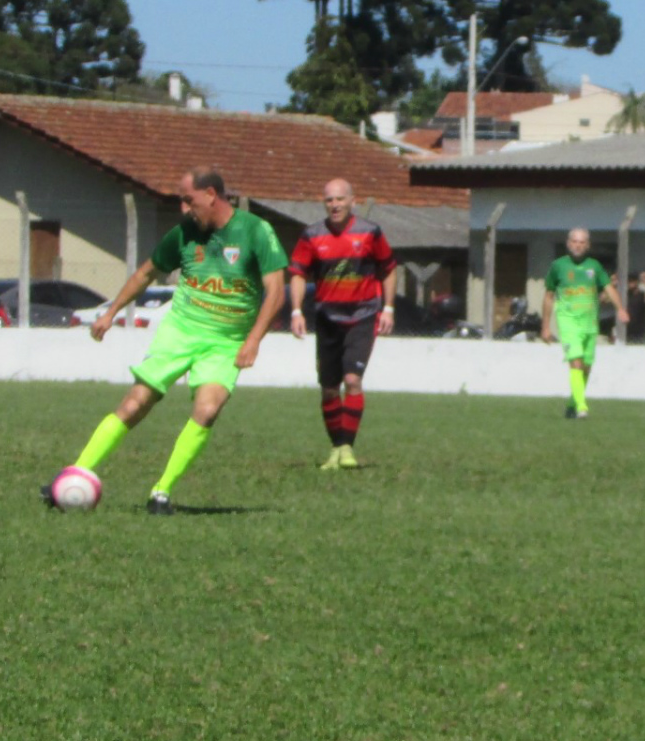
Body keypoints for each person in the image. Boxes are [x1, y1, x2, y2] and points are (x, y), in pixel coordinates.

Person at [41, 167, 287, 514]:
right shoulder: (183, 234)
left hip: (226, 341)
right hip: (181, 331)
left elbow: (276, 290)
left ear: (211, 195)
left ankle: (161, 492)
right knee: (135, 403)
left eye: (189, 201)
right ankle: (76, 472)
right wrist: (110, 313)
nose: (185, 210)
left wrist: (254, 340)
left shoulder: (255, 231)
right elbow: (145, 273)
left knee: (207, 409)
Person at [288, 178, 397, 470]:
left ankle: (346, 447)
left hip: (362, 316)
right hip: (327, 319)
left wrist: (388, 308)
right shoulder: (312, 235)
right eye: (329, 200)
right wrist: (296, 311)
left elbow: (388, 269)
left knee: (352, 380)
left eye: (339, 199)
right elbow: (297, 273)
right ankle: (337, 447)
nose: (334, 205)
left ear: (352, 201)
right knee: (328, 388)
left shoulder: (369, 232)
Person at [542, 228, 629, 418]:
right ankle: (582, 406)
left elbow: (609, 288)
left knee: (587, 366)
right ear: (568, 243)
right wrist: (546, 326)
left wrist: (620, 308)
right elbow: (548, 296)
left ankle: (572, 404)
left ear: (588, 245)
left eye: (582, 242)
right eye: (574, 241)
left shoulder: (594, 266)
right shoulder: (558, 266)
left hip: (590, 323)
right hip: (568, 321)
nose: (577, 245)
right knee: (576, 363)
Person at [624, 270, 645, 345]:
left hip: (640, 333)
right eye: (628, 281)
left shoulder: (642, 295)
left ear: (637, 281)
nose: (630, 283)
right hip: (626, 333)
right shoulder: (624, 295)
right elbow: (604, 299)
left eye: (632, 280)